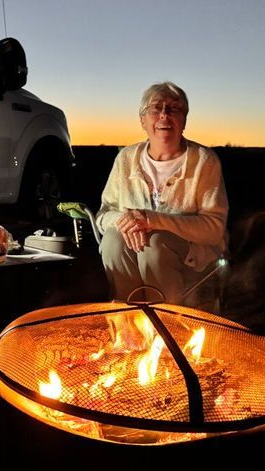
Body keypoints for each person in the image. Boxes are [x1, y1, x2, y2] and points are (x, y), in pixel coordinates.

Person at [95, 81, 229, 305]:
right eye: (156, 108)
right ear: (143, 120)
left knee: (155, 245)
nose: (165, 115)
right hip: (133, 257)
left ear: (184, 120)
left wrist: (153, 221)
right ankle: (128, 321)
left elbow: (214, 230)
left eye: (174, 108)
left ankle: (167, 324)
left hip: (191, 261)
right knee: (112, 240)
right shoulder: (126, 159)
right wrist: (128, 221)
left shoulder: (204, 161)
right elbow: (103, 215)